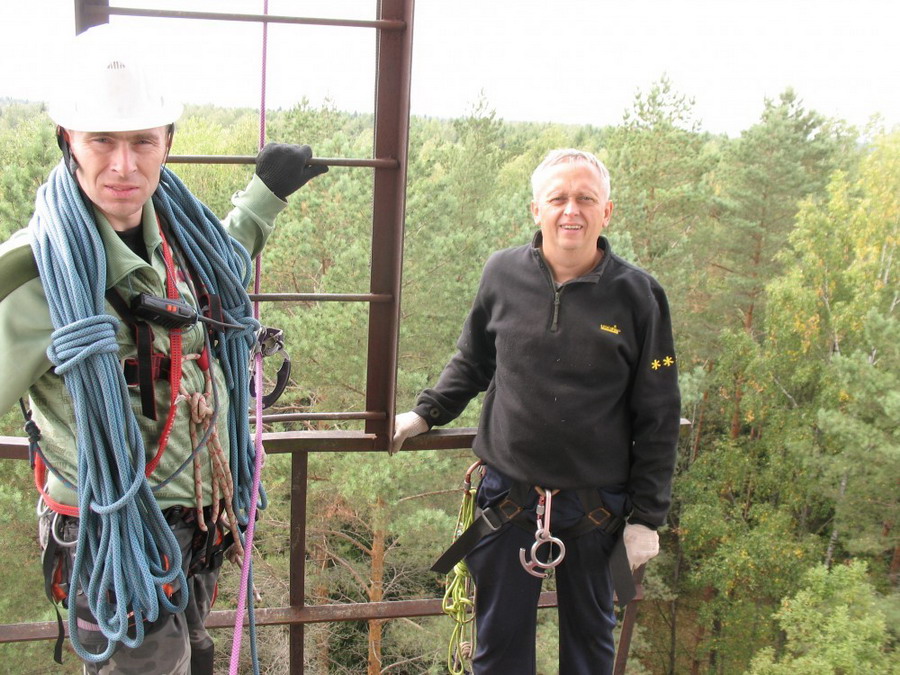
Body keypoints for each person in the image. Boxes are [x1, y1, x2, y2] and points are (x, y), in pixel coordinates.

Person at [0, 25, 326, 674]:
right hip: (114, 535)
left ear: (167, 142)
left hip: (198, 519)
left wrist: (264, 198)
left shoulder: (178, 236)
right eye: (101, 141)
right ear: (69, 139)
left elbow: (213, 278)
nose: (123, 165)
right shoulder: (37, 276)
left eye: (142, 141)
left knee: (194, 656)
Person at [392, 149, 681, 674]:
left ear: (607, 211)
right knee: (497, 653)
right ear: (536, 210)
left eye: (585, 199)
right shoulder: (502, 274)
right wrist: (424, 415)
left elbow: (659, 410)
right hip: (509, 501)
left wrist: (647, 519)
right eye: (558, 198)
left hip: (599, 512)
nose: (571, 210)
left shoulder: (639, 296)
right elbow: (473, 360)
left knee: (590, 653)